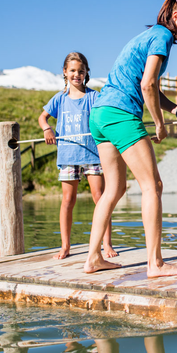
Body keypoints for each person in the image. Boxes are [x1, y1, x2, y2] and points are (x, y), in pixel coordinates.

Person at [85, 0, 177, 276]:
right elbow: (147, 85)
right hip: (120, 113)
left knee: (114, 189)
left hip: (101, 114)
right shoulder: (162, 37)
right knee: (153, 186)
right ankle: (155, 263)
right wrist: (160, 124)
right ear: (176, 16)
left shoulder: (150, 35)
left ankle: (92, 259)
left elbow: (150, 86)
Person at [38, 52, 115, 260]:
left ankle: (106, 243)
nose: (77, 74)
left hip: (93, 155)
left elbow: (106, 115)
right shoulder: (59, 98)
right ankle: (65, 246)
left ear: (86, 72)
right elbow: (43, 117)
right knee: (68, 200)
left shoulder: (94, 97)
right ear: (65, 72)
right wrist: (47, 128)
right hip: (68, 156)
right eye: (72, 70)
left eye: (81, 71)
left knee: (100, 198)